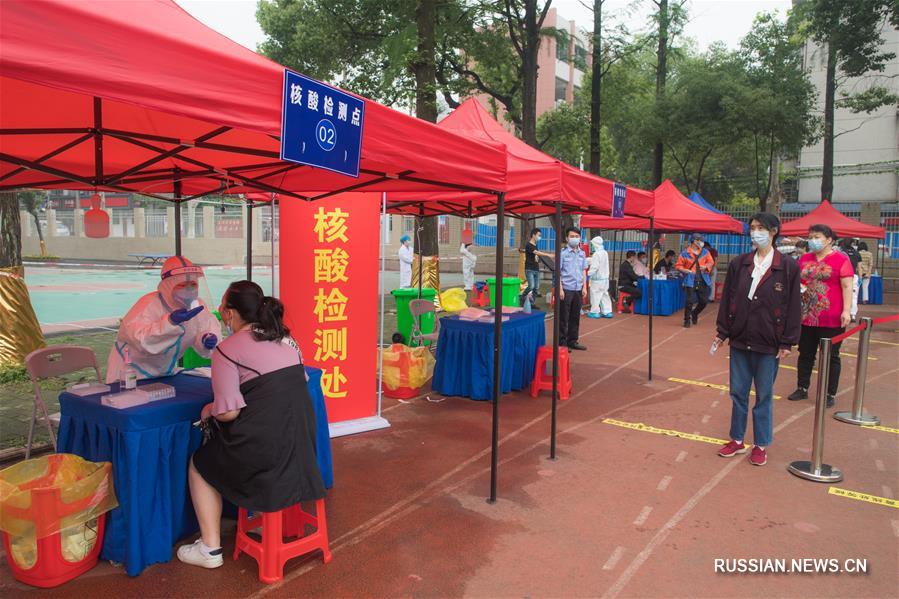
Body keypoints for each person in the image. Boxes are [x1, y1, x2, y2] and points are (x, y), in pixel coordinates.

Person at [179, 281, 325, 569]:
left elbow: (228, 414)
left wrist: (209, 409)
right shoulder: (286, 340)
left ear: (231, 314)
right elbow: (301, 382)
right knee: (258, 436)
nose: (220, 312)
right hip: (301, 444)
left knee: (200, 464)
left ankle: (209, 548)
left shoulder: (227, 350)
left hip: (264, 452)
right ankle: (265, 518)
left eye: (222, 307)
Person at [714, 213, 801, 467]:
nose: (755, 233)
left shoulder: (787, 267)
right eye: (752, 228)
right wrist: (723, 331)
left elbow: (793, 306)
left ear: (773, 231)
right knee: (738, 392)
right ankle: (737, 439)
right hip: (741, 339)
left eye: (761, 228)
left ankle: (761, 444)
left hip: (768, 343)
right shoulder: (739, 263)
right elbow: (728, 299)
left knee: (764, 395)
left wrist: (787, 341)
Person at [106, 256, 220, 383]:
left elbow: (205, 328)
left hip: (166, 373)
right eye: (182, 285)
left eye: (193, 284)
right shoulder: (148, 305)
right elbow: (142, 341)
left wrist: (206, 338)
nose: (189, 290)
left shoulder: (197, 306)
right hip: (132, 373)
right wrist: (170, 323)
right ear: (168, 285)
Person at [788, 224, 854, 408]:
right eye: (811, 236)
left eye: (817, 237)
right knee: (805, 353)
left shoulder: (841, 260)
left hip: (832, 316)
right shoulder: (805, 258)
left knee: (831, 356)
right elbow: (798, 282)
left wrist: (846, 310)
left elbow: (847, 286)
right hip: (807, 315)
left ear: (829, 240)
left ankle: (829, 392)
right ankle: (802, 387)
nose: (813, 240)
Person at [675, 233, 715, 328]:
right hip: (690, 280)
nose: (701, 242)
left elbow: (711, 262)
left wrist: (706, 267)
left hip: (702, 279)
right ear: (694, 241)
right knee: (689, 301)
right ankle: (687, 320)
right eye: (700, 240)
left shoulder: (705, 252)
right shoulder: (685, 253)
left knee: (704, 301)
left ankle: (695, 313)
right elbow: (678, 265)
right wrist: (684, 270)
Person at [559, 227, 588, 350]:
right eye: (572, 236)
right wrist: (560, 289)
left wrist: (584, 287)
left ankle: (573, 340)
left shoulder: (582, 253)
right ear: (566, 238)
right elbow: (558, 272)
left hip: (578, 289)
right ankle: (562, 342)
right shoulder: (563, 253)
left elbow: (583, 271)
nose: (575, 239)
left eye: (577, 236)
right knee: (564, 317)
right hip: (566, 288)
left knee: (575, 316)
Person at [521, 228, 552, 305]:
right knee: (531, 286)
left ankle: (532, 303)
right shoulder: (529, 245)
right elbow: (536, 252)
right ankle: (522, 298)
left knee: (536, 287)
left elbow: (536, 256)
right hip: (529, 269)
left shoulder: (535, 245)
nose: (540, 237)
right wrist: (548, 254)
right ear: (533, 235)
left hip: (536, 268)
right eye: (539, 235)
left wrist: (540, 260)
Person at [587, 236, 613, 318]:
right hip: (605, 279)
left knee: (595, 296)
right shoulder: (604, 252)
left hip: (597, 280)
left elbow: (595, 266)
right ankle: (607, 311)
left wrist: (588, 274)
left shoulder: (596, 254)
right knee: (604, 295)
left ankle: (594, 312)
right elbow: (598, 261)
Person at [838, 238, 861, 321]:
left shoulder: (840, 253)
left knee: (841, 295)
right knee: (854, 296)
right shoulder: (856, 253)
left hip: (841, 276)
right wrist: (860, 277)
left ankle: (842, 312)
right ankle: (853, 314)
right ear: (852, 244)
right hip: (853, 276)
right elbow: (859, 267)